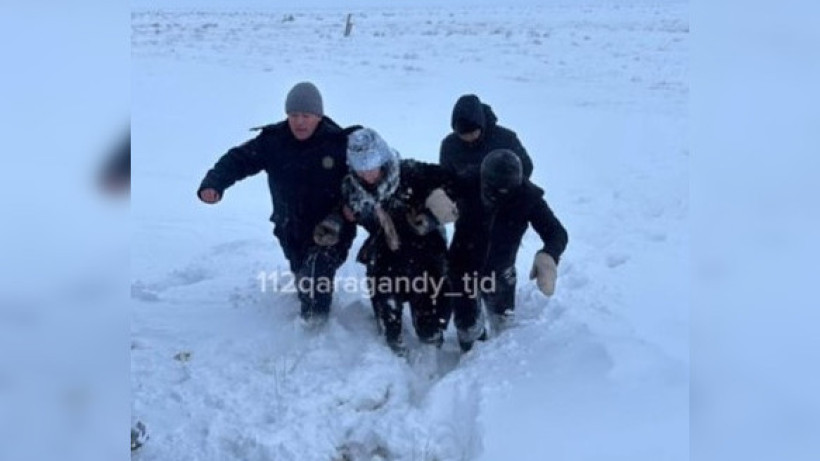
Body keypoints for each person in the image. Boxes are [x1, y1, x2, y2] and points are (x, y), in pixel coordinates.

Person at [197, 82, 356, 325]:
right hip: (290, 227)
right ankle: (310, 298)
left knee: (317, 273)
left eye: (306, 116)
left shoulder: (339, 142)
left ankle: (315, 330)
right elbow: (237, 160)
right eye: (293, 115)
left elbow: (368, 178)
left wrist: (353, 210)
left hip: (331, 228)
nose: (299, 122)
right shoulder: (273, 141)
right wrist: (214, 184)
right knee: (303, 272)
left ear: (319, 116)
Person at [341, 127, 458, 355]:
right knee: (387, 312)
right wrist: (339, 219)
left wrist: (435, 210)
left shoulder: (411, 172)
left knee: (429, 326)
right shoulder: (352, 189)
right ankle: (393, 346)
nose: (367, 175)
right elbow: (342, 211)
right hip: (386, 251)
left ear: (383, 160)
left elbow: (454, 183)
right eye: (360, 168)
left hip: (426, 250)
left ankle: (432, 340)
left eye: (371, 166)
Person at [447, 149, 568, 352]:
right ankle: (472, 362)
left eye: (507, 192)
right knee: (468, 329)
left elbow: (557, 233)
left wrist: (549, 255)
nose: (499, 197)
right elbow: (430, 183)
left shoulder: (528, 198)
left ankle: (499, 361)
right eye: (494, 190)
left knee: (503, 324)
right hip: (462, 266)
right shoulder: (466, 182)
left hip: (500, 270)